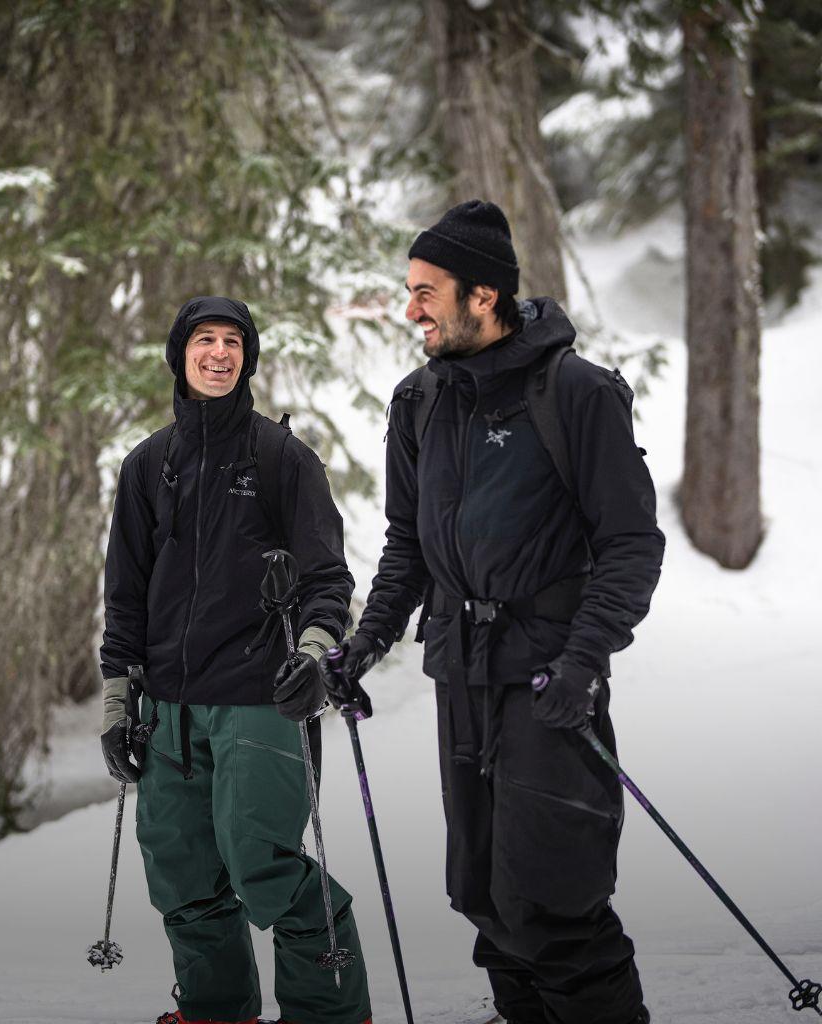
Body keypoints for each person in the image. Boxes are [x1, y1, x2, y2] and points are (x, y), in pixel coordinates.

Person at [321, 201, 665, 1024]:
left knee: (555, 903)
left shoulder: (575, 394)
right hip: (460, 675)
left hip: (547, 676)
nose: (410, 310)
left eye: (426, 291)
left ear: (484, 295)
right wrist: (365, 644)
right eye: (409, 290)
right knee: (483, 898)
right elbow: (408, 542)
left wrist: (583, 663)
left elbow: (630, 545)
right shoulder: (420, 401)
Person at [99, 296, 372, 1024]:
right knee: (182, 874)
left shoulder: (283, 459)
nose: (219, 353)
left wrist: (314, 655)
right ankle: (216, 1013)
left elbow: (327, 581)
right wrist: (119, 707)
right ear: (179, 354)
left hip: (259, 700)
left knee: (266, 868)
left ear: (248, 357)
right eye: (204, 340)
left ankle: (330, 1015)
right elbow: (124, 598)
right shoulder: (148, 465)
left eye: (232, 342)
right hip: (167, 713)